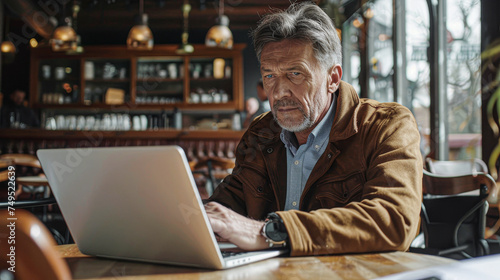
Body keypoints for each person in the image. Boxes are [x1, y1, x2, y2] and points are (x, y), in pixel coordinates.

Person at [204, 2, 422, 256]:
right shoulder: (261, 132)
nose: (279, 92)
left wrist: (271, 232)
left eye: (295, 73)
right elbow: (226, 205)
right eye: (269, 76)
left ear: (332, 79)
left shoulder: (387, 126)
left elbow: (394, 221)